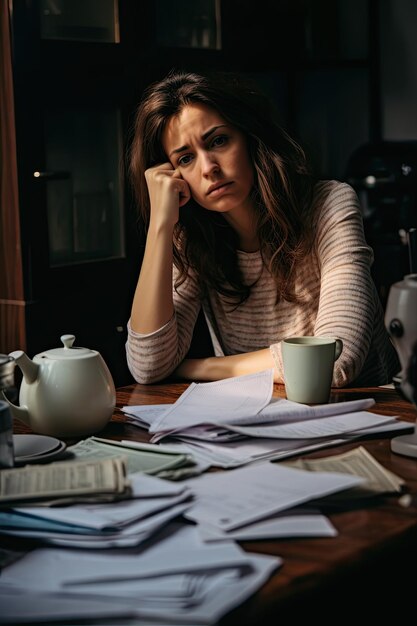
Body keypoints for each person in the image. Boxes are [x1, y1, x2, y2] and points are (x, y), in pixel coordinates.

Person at [126, 69, 400, 387]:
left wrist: (196, 368)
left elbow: (334, 361)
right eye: (185, 159)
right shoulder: (192, 239)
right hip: (254, 423)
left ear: (249, 138)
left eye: (218, 140)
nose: (208, 168)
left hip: (367, 417)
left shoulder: (330, 204)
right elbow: (147, 366)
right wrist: (160, 226)